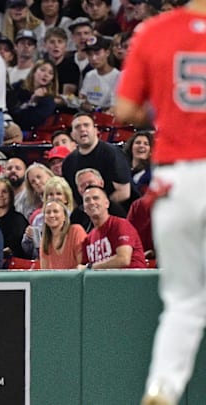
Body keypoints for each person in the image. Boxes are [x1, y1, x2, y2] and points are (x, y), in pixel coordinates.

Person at [113, 4, 206, 403]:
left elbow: (125, 110)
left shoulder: (155, 31)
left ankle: (162, 390)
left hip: (178, 179)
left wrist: (167, 102)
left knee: (184, 302)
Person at [62, 112, 134, 207]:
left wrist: (97, 207)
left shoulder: (112, 153)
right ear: (72, 135)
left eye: (86, 125)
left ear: (96, 130)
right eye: (77, 127)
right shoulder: (68, 162)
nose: (82, 129)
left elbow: (124, 193)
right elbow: (73, 198)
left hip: (119, 211)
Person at [77, 185, 146, 269]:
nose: (91, 202)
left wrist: (90, 267)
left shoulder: (121, 224)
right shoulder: (88, 239)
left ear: (107, 203)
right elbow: (83, 267)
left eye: (96, 198)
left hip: (132, 279)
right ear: (84, 208)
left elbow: (124, 259)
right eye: (87, 200)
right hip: (106, 281)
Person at [7, 59, 59, 130]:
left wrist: (32, 103)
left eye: (50, 73)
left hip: (27, 133)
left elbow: (28, 122)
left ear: (52, 79)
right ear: (34, 71)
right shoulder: (18, 86)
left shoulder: (48, 100)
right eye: (42, 70)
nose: (46, 75)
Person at [0, 178, 30, 259]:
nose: (0, 195)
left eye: (4, 191)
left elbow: (20, 249)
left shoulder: (19, 220)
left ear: (10, 196)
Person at [40, 199, 87, 269]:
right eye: (48, 212)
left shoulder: (76, 231)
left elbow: (83, 266)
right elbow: (44, 272)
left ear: (65, 216)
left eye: (55, 211)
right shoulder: (44, 241)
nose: (51, 215)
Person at [79, 36, 120, 112]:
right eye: (90, 54)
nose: (93, 58)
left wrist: (93, 108)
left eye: (97, 53)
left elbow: (114, 108)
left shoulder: (118, 77)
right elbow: (83, 99)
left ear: (107, 52)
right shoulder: (89, 75)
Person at [123, 131, 153, 195]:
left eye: (146, 144)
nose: (141, 146)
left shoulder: (152, 173)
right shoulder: (122, 168)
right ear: (131, 147)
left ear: (151, 151)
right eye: (138, 143)